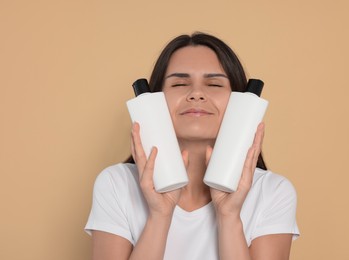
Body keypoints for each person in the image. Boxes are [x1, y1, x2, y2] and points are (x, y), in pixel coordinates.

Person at [85, 32, 300, 260]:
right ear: (153, 101)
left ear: (242, 102)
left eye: (214, 83)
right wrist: (160, 214)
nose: (196, 94)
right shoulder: (116, 184)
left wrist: (229, 215)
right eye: (179, 83)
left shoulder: (273, 192)